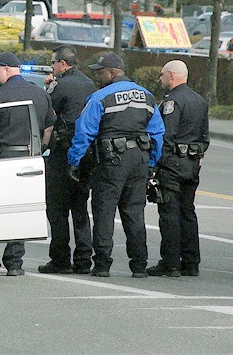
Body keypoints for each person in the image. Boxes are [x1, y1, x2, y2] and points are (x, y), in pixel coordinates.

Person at [68, 52, 164, 278]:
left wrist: (74, 161)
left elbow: (84, 132)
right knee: (134, 213)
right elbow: (158, 133)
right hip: (139, 161)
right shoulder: (147, 96)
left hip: (112, 162)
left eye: (100, 73)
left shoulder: (100, 97)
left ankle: (102, 265)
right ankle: (139, 265)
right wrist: (151, 162)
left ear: (113, 72)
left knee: (104, 212)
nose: (97, 77)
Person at [0, 51, 56, 277]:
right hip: (29, 160)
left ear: (7, 69)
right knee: (21, 210)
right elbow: (48, 129)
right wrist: (40, 149)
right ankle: (14, 264)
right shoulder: (40, 94)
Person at [147, 60, 209, 277]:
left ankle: (171, 262)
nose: (160, 79)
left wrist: (154, 165)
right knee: (188, 212)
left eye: (162, 75)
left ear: (172, 75)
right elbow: (204, 136)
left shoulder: (172, 102)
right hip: (192, 165)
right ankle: (191, 262)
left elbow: (166, 137)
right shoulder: (200, 100)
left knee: (169, 213)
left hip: (173, 165)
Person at [38, 45, 96, 275]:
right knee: (80, 208)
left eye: (53, 62)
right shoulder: (88, 83)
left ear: (62, 63)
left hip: (63, 152)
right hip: (86, 153)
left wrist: (49, 88)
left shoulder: (61, 84)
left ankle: (60, 258)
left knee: (58, 209)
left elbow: (48, 113)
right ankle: (83, 260)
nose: (52, 67)